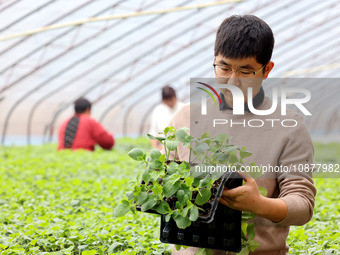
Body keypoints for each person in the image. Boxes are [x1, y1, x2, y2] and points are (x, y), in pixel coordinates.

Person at [170, 15, 316, 254]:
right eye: (224, 67)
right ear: (214, 61)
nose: (232, 81)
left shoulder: (289, 126)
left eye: (246, 71)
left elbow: (302, 205)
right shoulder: (185, 118)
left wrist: (259, 204)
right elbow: (163, 185)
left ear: (266, 69)